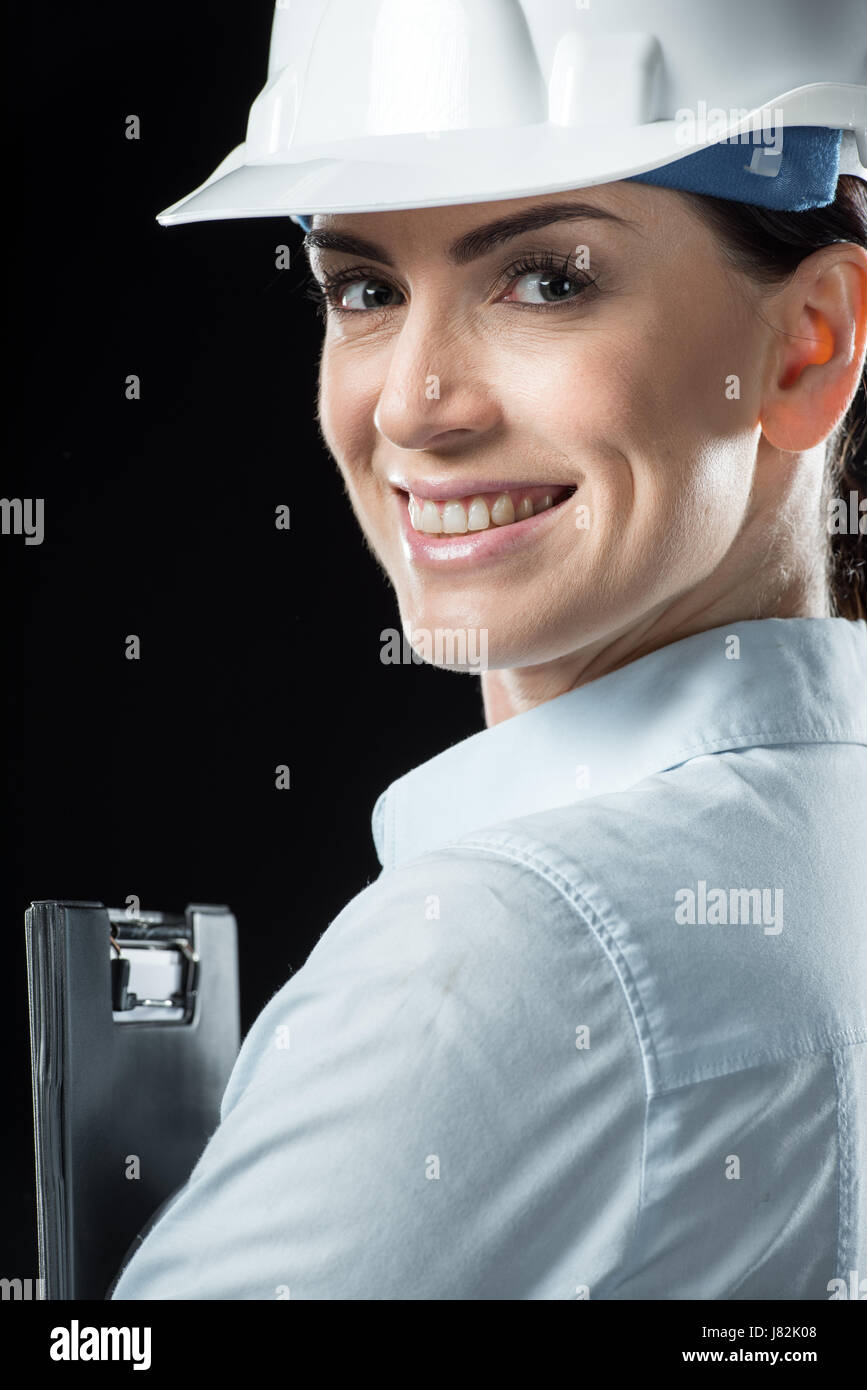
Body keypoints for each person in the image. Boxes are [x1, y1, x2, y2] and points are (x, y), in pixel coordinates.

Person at [111, 1, 867, 1299]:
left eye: (546, 279)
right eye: (364, 289)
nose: (408, 403)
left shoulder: (501, 953)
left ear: (808, 345)